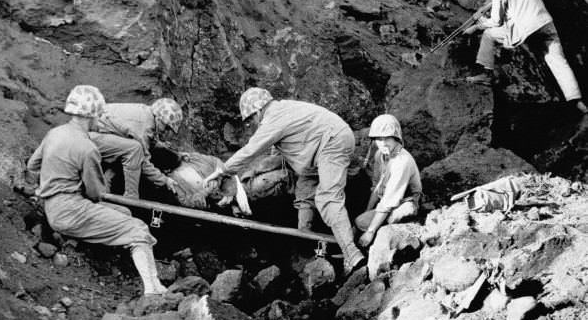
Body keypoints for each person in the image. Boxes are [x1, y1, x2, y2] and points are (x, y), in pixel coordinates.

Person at [203, 87, 365, 275]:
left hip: (332, 143)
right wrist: (247, 176)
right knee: (304, 190)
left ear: (258, 111)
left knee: (327, 198)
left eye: (250, 120)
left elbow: (251, 150)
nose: (250, 125)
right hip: (319, 148)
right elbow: (275, 157)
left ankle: (352, 255)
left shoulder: (274, 117)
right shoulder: (283, 112)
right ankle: (306, 242)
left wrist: (223, 170)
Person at [26, 85, 167, 296]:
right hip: (72, 210)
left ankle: (110, 259)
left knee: (125, 213)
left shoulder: (54, 133)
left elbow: (32, 166)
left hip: (51, 205)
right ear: (91, 115)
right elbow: (95, 194)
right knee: (138, 230)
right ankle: (153, 291)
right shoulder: (88, 148)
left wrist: (55, 179)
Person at [464, 0, 587, 114]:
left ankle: (487, 74)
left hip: (527, 30)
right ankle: (576, 101)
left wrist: (479, 25)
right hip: (545, 24)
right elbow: (521, 2)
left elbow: (496, 21)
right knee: (558, 61)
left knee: (488, 35)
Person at [89, 98, 183, 198]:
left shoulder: (147, 113)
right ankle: (131, 198)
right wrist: (164, 180)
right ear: (158, 119)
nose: (166, 131)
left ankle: (106, 183)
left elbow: (150, 139)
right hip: (85, 136)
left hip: (95, 131)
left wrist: (176, 153)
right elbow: (143, 162)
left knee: (126, 147)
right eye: (166, 127)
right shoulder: (143, 127)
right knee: (134, 150)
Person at [356, 114, 421, 248]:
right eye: (379, 139)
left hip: (405, 203)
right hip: (388, 200)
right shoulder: (380, 155)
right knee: (360, 221)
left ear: (397, 139)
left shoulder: (402, 162)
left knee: (371, 226)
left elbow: (390, 200)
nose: (383, 143)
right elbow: (377, 187)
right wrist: (367, 211)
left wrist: (370, 232)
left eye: (387, 139)